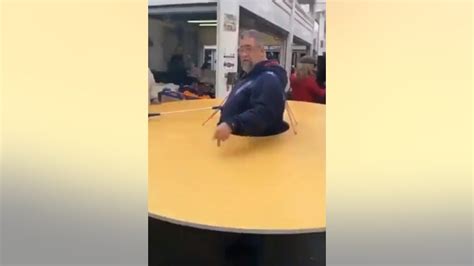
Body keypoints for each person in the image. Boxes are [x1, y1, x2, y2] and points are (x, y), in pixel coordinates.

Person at [213, 29, 288, 145]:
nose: (243, 54)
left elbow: (265, 113)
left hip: (254, 150)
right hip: (237, 144)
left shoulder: (269, 77)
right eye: (241, 50)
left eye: (248, 48)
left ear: (262, 50)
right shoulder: (250, 75)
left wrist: (232, 124)